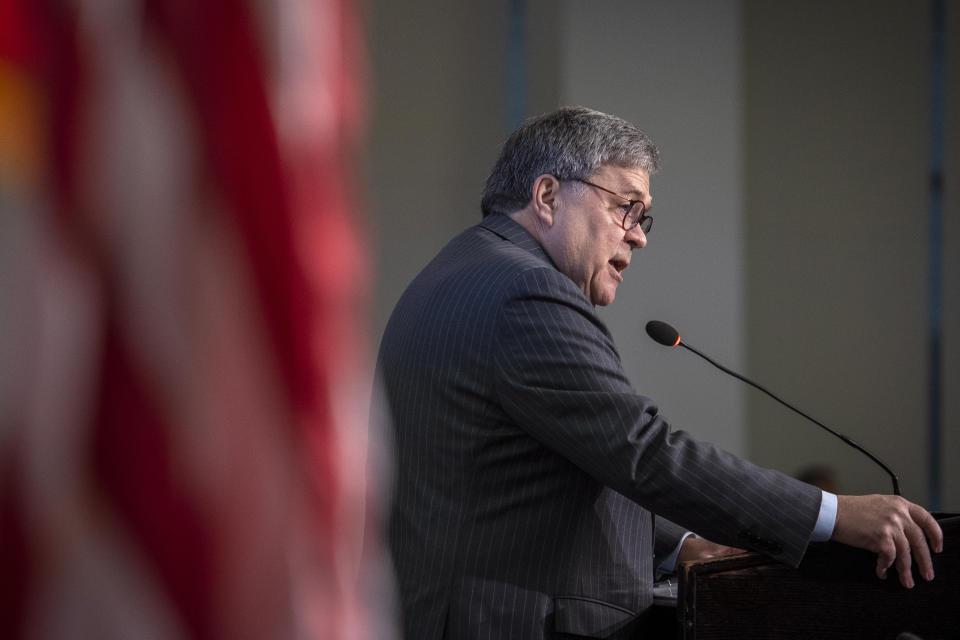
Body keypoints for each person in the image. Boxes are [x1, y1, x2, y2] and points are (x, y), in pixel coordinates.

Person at [374, 107, 942, 639]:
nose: (639, 234)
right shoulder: (526, 292)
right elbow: (641, 451)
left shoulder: (458, 272)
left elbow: (552, 470)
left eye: (644, 218)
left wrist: (678, 545)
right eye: (626, 206)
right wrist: (834, 514)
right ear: (547, 195)